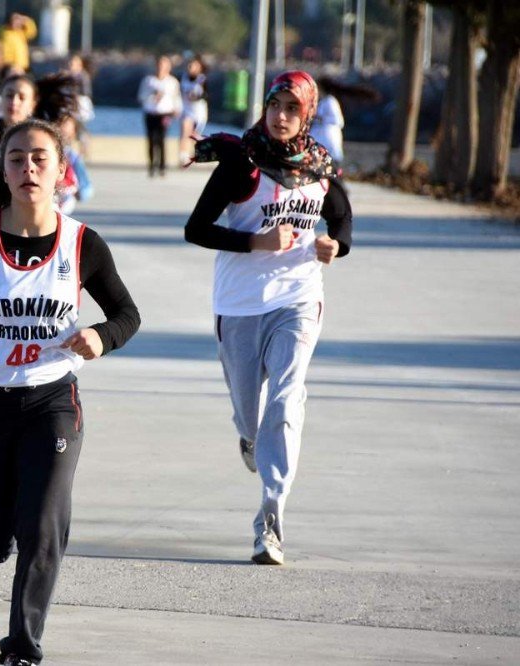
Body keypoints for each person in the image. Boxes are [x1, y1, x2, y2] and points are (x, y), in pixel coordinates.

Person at [0, 118, 140, 666]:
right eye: (17, 158)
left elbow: (127, 314)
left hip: (52, 402)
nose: (28, 168)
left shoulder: (82, 243)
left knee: (45, 528)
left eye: (40, 158)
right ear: (5, 169)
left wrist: (101, 335)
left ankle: (21, 648)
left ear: (62, 171)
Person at [183, 71, 353, 565]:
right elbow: (196, 229)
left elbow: (341, 218)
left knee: (286, 398)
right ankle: (249, 436)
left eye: (292, 109)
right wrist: (253, 241)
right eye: (274, 106)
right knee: (251, 416)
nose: (281, 117)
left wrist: (334, 246)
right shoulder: (242, 162)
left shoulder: (319, 165)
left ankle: (270, 520)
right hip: (239, 303)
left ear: (307, 115)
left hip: (299, 298)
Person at [0, 72, 78, 165]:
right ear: (0, 99)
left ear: (33, 103)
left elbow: (65, 179)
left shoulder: (46, 142)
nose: (14, 102)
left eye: (22, 97)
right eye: (9, 96)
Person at [137, 55, 181, 177]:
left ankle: (162, 165)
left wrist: (176, 110)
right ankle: (151, 165)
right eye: (160, 64)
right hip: (151, 112)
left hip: (165, 113)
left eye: (164, 64)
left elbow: (176, 98)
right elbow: (141, 96)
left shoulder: (172, 82)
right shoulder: (148, 81)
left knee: (161, 139)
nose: (161, 67)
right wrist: (152, 96)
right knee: (151, 139)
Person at [177, 53, 208, 164]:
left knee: (193, 136)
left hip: (199, 113)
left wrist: (196, 97)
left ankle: (192, 155)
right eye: (189, 65)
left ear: (199, 66)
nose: (190, 68)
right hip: (186, 111)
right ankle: (182, 156)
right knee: (185, 129)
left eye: (193, 65)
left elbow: (206, 95)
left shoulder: (202, 79)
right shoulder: (183, 77)